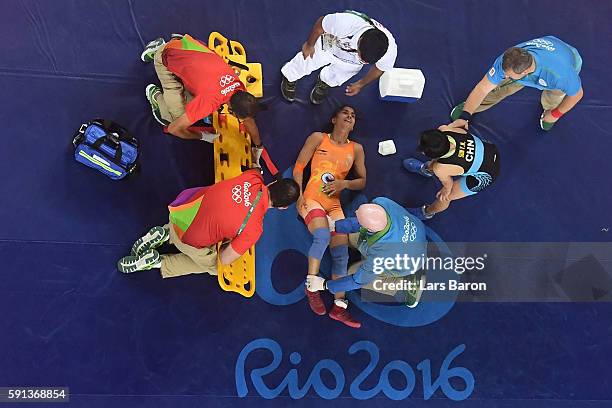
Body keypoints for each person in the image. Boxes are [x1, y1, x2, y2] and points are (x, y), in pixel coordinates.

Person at [117, 170, 300, 277]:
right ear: (282, 208)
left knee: (206, 213)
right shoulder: (254, 229)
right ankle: (158, 262)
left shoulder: (253, 176)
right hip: (188, 238)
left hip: (181, 209)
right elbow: (225, 258)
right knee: (214, 267)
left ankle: (165, 232)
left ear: (273, 182)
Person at [140, 34, 266, 165]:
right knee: (173, 118)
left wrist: (258, 146)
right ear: (231, 110)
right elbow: (174, 129)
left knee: (197, 88)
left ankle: (174, 45)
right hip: (166, 56)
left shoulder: (238, 85)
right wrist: (202, 136)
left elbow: (249, 120)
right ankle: (156, 95)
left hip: (187, 45)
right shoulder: (209, 102)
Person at [293, 105, 366, 327]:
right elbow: (299, 167)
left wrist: (344, 183)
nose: (350, 117)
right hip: (311, 199)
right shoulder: (318, 138)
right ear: (334, 119)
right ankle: (311, 287)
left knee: (341, 255)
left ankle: (339, 307)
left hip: (334, 205)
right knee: (322, 236)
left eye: (353, 116)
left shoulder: (357, 149)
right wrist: (297, 194)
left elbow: (362, 181)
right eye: (345, 113)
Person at [305, 197, 428, 310]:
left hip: (409, 261)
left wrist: (325, 285)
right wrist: (334, 226)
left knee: (352, 272)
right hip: (416, 235)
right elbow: (361, 223)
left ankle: (404, 286)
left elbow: (357, 281)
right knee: (352, 238)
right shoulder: (383, 202)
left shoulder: (381, 255)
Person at [449, 36, 583, 131]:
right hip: (547, 52)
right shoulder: (508, 59)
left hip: (565, 61)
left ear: (525, 72)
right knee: (501, 87)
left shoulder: (560, 76)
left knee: (555, 96)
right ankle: (471, 107)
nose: (504, 75)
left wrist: (555, 114)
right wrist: (465, 116)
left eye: (508, 74)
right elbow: (482, 88)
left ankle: (549, 109)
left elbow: (577, 95)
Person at [280, 10, 397, 104]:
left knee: (337, 76)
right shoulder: (346, 23)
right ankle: (290, 77)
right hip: (330, 44)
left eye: (366, 61)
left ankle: (324, 83)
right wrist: (310, 45)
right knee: (306, 61)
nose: (363, 60)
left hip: (351, 62)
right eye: (362, 57)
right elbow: (321, 24)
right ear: (360, 40)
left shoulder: (389, 50)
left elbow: (379, 69)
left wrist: (360, 84)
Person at [402, 124, 500, 219]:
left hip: (486, 174)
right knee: (438, 158)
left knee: (445, 197)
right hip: (490, 149)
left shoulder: (440, 169)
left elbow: (448, 183)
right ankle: (426, 170)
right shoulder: (445, 129)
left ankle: (427, 212)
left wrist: (446, 190)